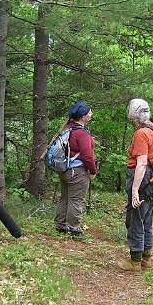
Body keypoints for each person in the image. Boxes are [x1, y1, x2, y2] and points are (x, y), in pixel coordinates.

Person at [118, 98, 153, 272]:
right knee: (146, 218)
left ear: (133, 113)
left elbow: (141, 163)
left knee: (135, 219)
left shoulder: (141, 134)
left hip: (142, 178)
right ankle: (146, 259)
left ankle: (135, 261)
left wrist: (135, 190)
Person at [54, 101, 97, 241]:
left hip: (65, 170)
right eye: (89, 112)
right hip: (77, 172)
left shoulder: (67, 129)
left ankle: (60, 226)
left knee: (65, 197)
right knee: (76, 200)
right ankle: (74, 229)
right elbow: (88, 156)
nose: (91, 114)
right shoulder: (81, 133)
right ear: (83, 116)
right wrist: (92, 171)